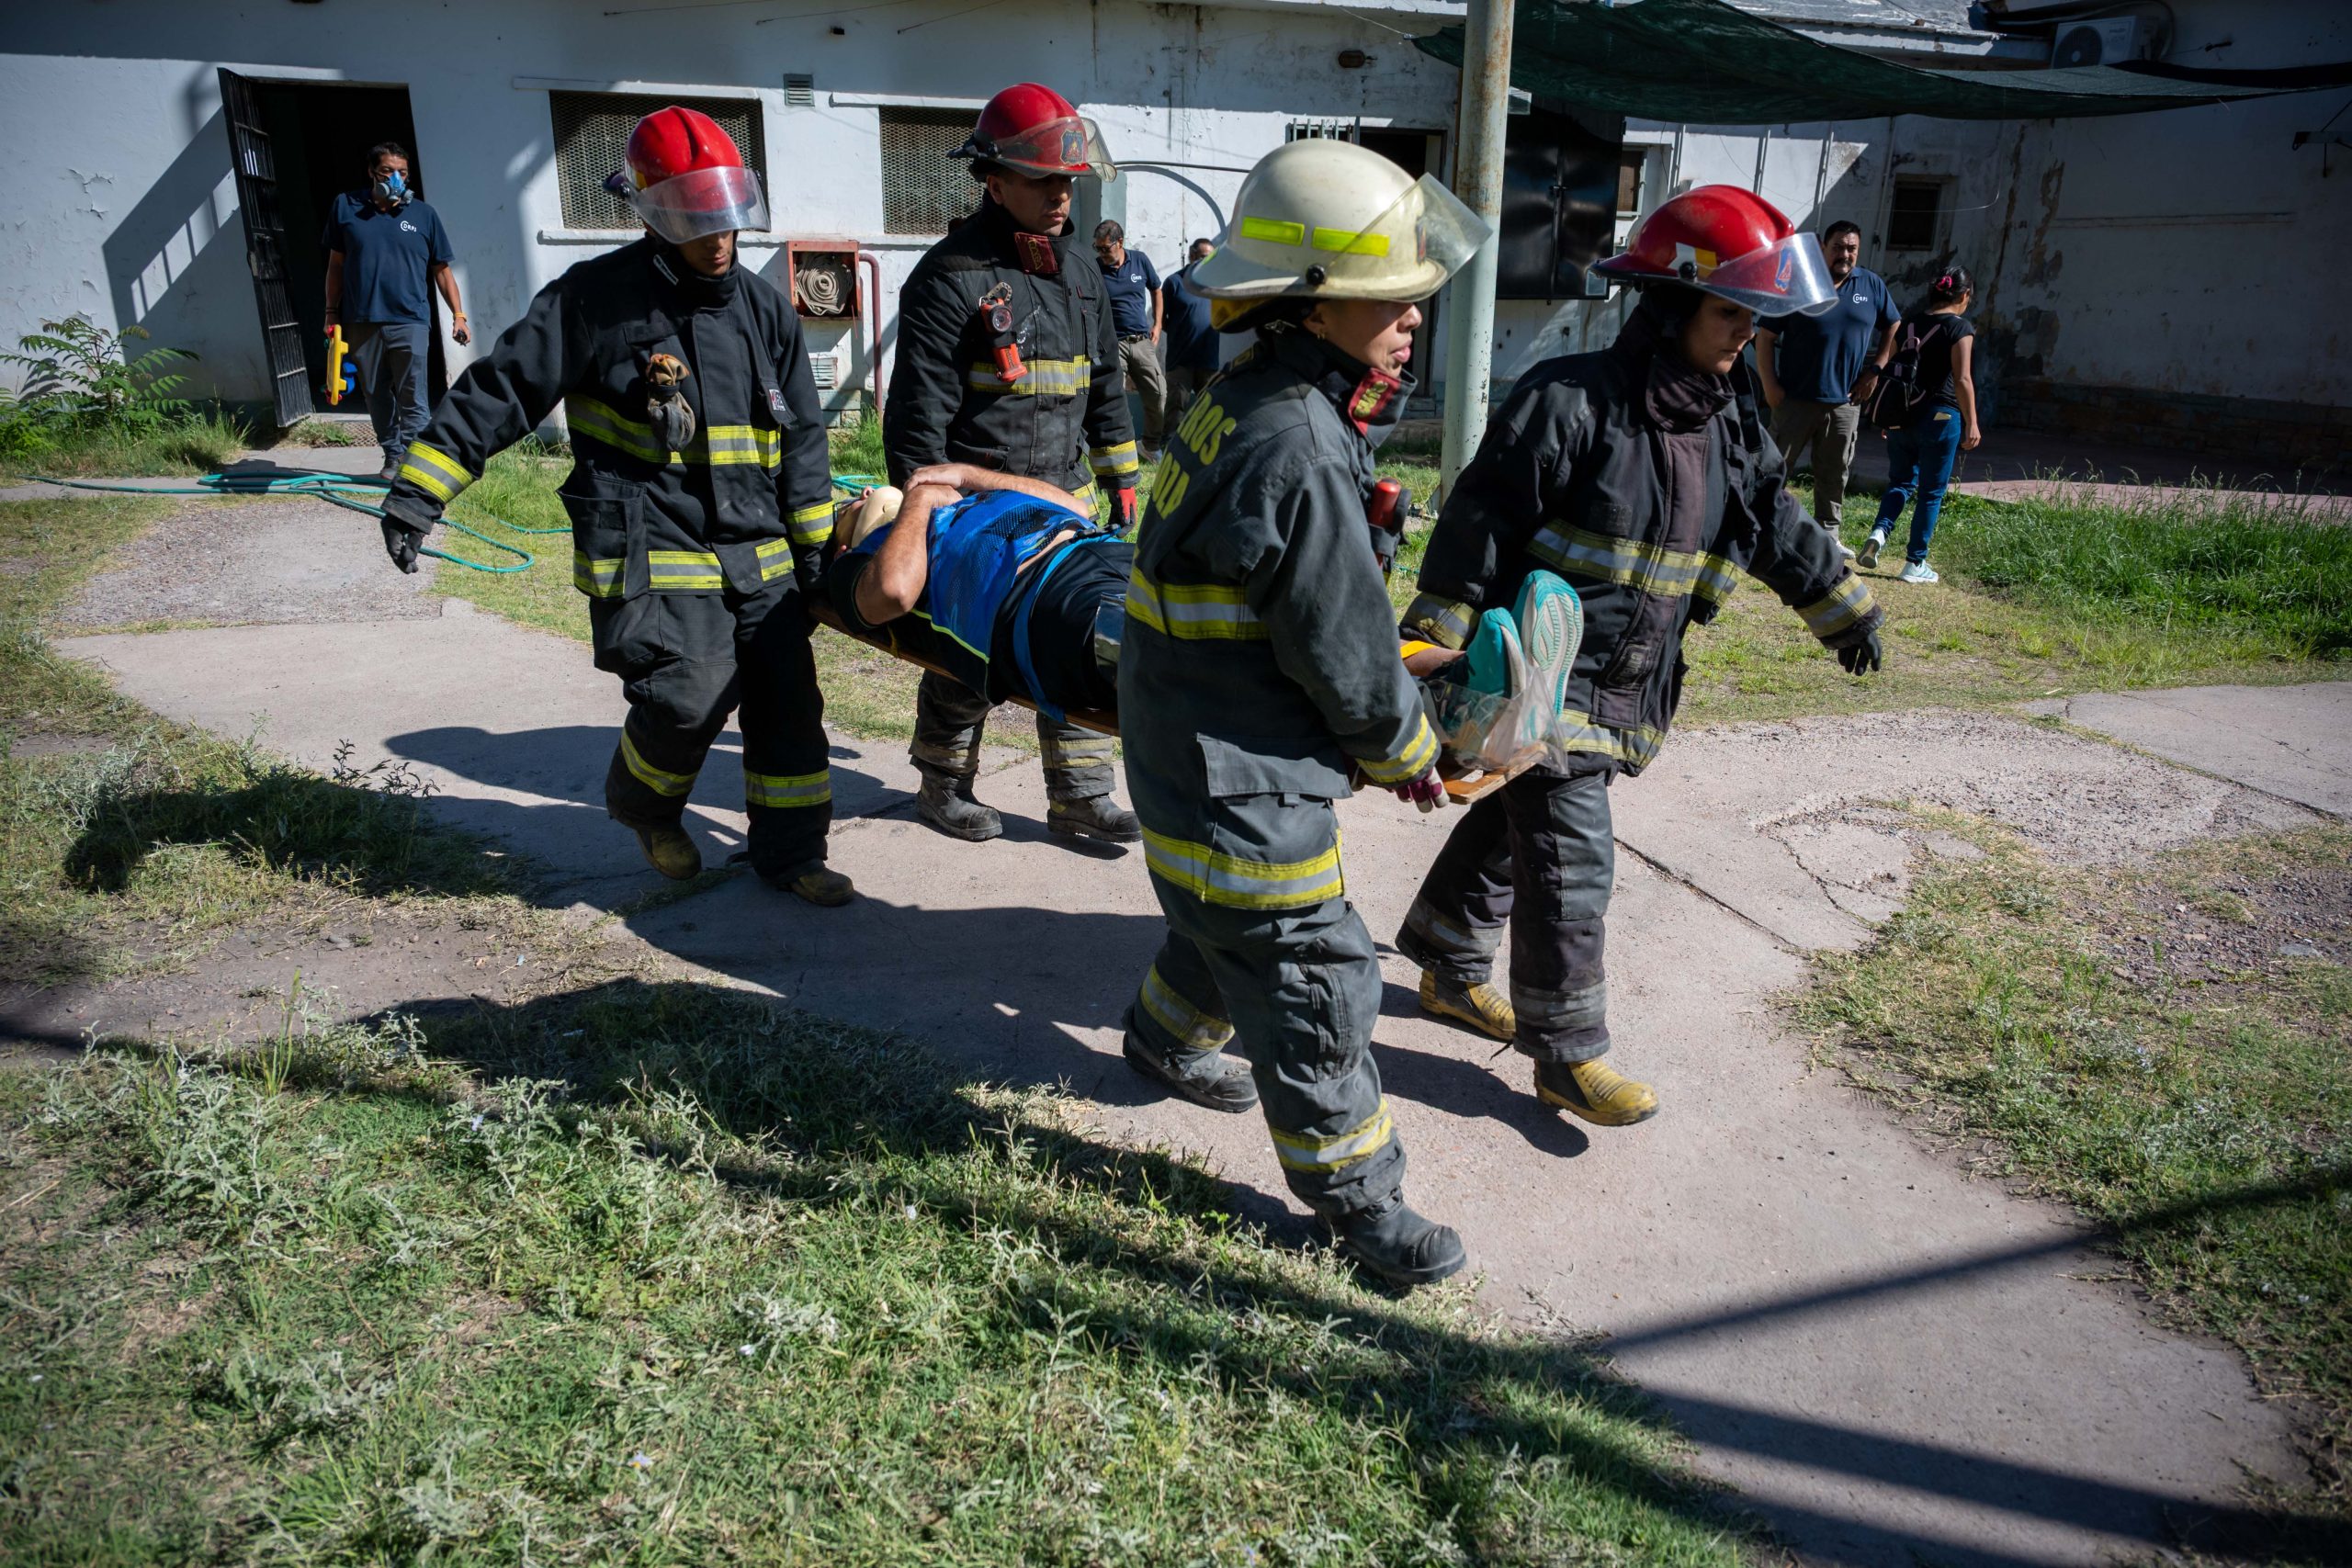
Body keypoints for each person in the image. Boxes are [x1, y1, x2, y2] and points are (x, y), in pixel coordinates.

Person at [1397, 186, 1887, 1129]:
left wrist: (1843, 610)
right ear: (1667, 302)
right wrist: (1439, 644)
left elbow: (1774, 524)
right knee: (1572, 860)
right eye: (1728, 311)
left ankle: (1450, 963)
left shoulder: (1725, 417)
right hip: (1537, 680)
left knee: (1521, 829)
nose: (1746, 333)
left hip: (1632, 680)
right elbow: (1479, 522)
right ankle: (1567, 1054)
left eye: (1756, 316)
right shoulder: (1571, 400)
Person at [1116, 137, 1490, 1289]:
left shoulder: (1242, 397)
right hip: (1240, 767)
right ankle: (1360, 1205)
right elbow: (1341, 647)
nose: (1415, 314)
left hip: (1185, 742)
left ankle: (1162, 1038)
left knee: (1212, 913)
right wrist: (1412, 748)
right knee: (1309, 965)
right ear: (1315, 301)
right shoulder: (1299, 443)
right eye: (1391, 293)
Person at [376, 107, 851, 906]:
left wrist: (817, 560)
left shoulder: (765, 310)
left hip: (759, 550)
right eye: (699, 219)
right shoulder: (595, 301)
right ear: (656, 214)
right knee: (691, 691)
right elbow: (502, 390)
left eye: (728, 214)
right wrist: (422, 488)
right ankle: (645, 804)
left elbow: (802, 442)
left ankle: (792, 853)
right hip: (654, 540)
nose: (721, 237)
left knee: (789, 701)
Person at [882, 83, 1142, 849]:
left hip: (1066, 504)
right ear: (993, 181)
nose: (1061, 197)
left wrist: (1123, 483)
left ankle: (1081, 796)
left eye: (1068, 181)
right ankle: (941, 782)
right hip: (979, 513)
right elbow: (917, 422)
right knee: (968, 647)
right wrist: (928, 513)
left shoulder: (1084, 275)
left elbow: (1106, 392)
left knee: (1078, 637)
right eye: (1043, 181)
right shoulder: (948, 278)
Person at [825, 468, 1123, 720]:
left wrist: (967, 474)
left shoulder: (948, 508)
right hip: (1039, 597)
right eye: (846, 507)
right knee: (1146, 647)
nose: (866, 491)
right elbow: (894, 592)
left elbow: (1076, 508)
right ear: (842, 550)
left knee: (1168, 606)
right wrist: (920, 498)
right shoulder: (862, 563)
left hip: (1099, 547)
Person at [323, 141, 470, 483]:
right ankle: (392, 453)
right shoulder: (346, 207)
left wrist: (459, 315)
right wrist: (331, 311)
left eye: (402, 172)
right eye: (388, 171)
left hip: (411, 319)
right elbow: (336, 266)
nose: (396, 178)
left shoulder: (423, 215)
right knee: (376, 393)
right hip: (362, 320)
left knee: (413, 394)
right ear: (372, 172)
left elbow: (442, 271)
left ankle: (415, 461)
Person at [1753, 220, 1898, 543]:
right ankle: (1758, 529)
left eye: (1851, 249)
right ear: (1822, 248)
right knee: (1775, 469)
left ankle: (1827, 536)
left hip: (1845, 402)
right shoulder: (1798, 283)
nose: (1844, 255)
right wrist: (1770, 386)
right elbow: (1764, 338)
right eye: (1838, 247)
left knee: (1834, 473)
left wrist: (1875, 369)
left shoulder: (1871, 285)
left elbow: (1894, 325)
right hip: (1795, 399)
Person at [1859, 266, 1981, 583]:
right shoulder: (1960, 328)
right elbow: (1963, 378)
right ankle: (1915, 563)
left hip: (1902, 416)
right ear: (1965, 296)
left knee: (1899, 481)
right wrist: (1972, 422)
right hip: (1941, 417)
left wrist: (1889, 415)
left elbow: (1892, 370)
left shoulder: (1908, 323)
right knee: (1930, 492)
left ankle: (1879, 533)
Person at [1092, 220, 1167, 458]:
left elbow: (1156, 289)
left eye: (1105, 248)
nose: (1102, 254)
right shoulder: (1095, 268)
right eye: (1098, 249)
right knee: (1113, 398)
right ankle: (1115, 450)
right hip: (1112, 344)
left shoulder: (1140, 260)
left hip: (1141, 342)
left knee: (1159, 395)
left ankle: (1150, 446)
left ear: (1120, 242)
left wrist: (1158, 324)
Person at [1159, 237, 1219, 433]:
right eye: (1203, 257)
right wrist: (1181, 332)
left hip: (1209, 358)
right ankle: (1169, 444)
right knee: (1176, 405)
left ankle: (1206, 445)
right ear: (1191, 255)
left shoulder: (1215, 284)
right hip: (1180, 359)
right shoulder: (1174, 282)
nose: (1207, 262)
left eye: (1211, 258)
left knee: (1210, 406)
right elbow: (1162, 318)